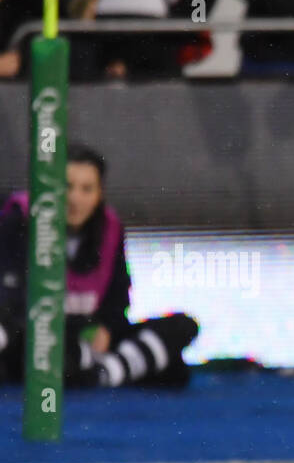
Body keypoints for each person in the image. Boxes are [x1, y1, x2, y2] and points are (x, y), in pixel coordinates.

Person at [0, 144, 199, 388]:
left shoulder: (109, 230)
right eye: (67, 187)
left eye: (87, 189)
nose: (75, 199)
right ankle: (116, 368)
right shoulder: (18, 223)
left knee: (181, 327)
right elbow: (10, 302)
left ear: (99, 194)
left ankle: (99, 373)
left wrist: (105, 328)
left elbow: (117, 298)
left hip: (89, 339)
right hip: (35, 338)